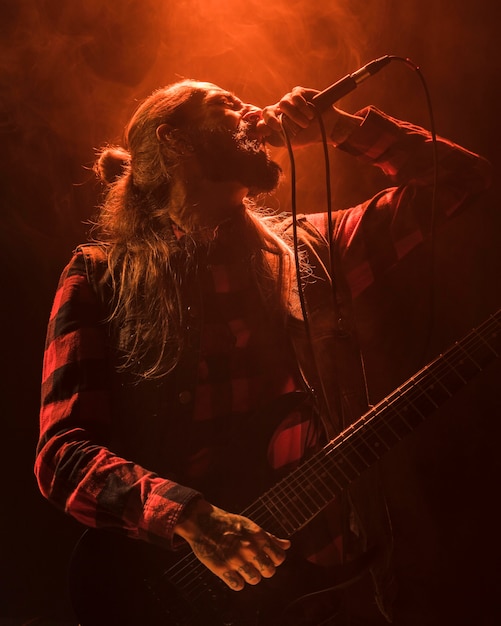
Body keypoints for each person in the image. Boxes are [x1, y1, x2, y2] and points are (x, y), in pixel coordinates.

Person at [35, 79, 491, 625]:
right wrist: (194, 519)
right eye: (224, 104)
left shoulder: (310, 251)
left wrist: (342, 129)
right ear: (175, 140)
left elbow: (461, 180)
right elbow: (62, 455)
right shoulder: (101, 275)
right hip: (166, 589)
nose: (251, 109)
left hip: (328, 586)